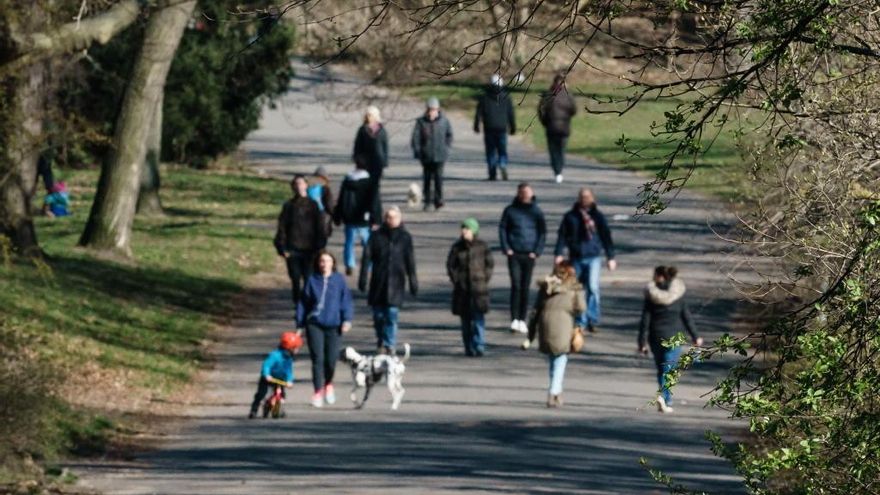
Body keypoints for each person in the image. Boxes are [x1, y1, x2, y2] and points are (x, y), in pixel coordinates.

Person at [638, 266, 703, 413]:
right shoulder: (678, 295)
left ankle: (664, 397)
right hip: (674, 338)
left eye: (654, 275)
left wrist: (642, 342)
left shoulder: (651, 297)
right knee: (668, 370)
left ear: (660, 277)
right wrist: (695, 336)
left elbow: (645, 321)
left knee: (661, 369)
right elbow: (687, 317)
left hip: (655, 337)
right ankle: (665, 398)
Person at [521, 261, 586, 408]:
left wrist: (530, 336)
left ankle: (557, 392)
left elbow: (535, 311)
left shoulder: (545, 288)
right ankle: (553, 392)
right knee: (561, 360)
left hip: (546, 326)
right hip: (563, 326)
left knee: (553, 360)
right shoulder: (574, 289)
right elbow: (581, 308)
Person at [297, 250, 354, 408]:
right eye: (322, 261)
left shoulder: (339, 280)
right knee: (317, 359)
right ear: (318, 263)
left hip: (334, 325)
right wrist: (300, 324)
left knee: (331, 359)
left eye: (328, 261)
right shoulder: (312, 280)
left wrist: (347, 320)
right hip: (314, 324)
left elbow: (346, 301)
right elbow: (303, 303)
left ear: (333, 264)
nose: (325, 264)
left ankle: (328, 383)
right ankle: (317, 392)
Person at [554, 188, 616, 333]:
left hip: (593, 257)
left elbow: (606, 236)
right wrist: (558, 253)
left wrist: (610, 257)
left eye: (588, 197)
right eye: (582, 197)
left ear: (593, 198)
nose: (585, 199)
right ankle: (580, 320)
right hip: (576, 257)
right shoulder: (570, 217)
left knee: (593, 288)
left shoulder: (598, 217)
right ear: (578, 199)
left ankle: (592, 319)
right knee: (578, 290)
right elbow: (562, 236)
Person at [358, 206, 418, 355]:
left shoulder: (405, 237)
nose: (391, 220)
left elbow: (410, 260)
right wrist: (363, 278)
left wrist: (413, 280)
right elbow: (367, 258)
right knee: (378, 316)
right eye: (389, 217)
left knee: (391, 315)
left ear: (400, 219)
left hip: (396, 282)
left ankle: (389, 344)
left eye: (394, 217)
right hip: (379, 282)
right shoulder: (376, 236)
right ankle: (381, 339)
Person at [498, 182, 547, 334]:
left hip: (529, 254)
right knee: (516, 286)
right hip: (514, 253)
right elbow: (503, 229)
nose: (526, 197)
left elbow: (542, 232)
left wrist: (537, 251)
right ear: (519, 195)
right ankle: (514, 319)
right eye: (523, 194)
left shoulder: (536, 212)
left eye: (528, 194)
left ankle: (522, 319)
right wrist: (507, 248)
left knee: (525, 287)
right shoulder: (510, 210)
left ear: (531, 195)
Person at [274, 174, 327, 307]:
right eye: (296, 184)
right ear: (293, 187)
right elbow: (282, 227)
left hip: (310, 250)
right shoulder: (288, 206)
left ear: (306, 186)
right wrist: (281, 247)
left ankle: (309, 303)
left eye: (301, 184)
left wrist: (320, 246)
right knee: (295, 278)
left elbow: (320, 227)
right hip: (293, 249)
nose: (299, 187)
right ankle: (298, 304)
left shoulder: (313, 205)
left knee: (309, 278)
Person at [446, 218, 494, 357]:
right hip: (462, 289)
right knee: (465, 320)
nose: (463, 231)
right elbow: (450, 265)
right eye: (463, 228)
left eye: (466, 228)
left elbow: (489, 264)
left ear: (473, 230)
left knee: (478, 318)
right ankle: (468, 346)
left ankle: (479, 345)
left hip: (478, 289)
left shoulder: (482, 246)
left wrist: (484, 278)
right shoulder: (457, 247)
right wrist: (456, 279)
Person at [333, 162, 382, 276]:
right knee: (367, 243)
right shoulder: (370, 182)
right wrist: (376, 219)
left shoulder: (347, 180)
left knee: (349, 242)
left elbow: (341, 199)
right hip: (364, 218)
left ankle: (349, 264)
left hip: (349, 217)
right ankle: (369, 265)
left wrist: (338, 215)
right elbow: (374, 202)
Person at [248, 331, 304, 418]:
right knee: (261, 394)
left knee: (280, 394)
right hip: (268, 378)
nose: (297, 350)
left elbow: (289, 371)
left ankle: (277, 409)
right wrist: (266, 374)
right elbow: (267, 365)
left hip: (280, 379)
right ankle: (254, 410)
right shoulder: (275, 355)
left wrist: (289, 380)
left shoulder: (289, 358)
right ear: (289, 347)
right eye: (296, 348)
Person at [411, 97, 453, 211]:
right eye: (430, 109)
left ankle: (438, 200)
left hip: (440, 155)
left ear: (438, 109)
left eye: (434, 109)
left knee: (439, 179)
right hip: (426, 156)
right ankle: (427, 201)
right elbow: (415, 138)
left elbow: (449, 135)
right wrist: (418, 151)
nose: (432, 112)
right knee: (427, 179)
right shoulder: (421, 122)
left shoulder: (444, 121)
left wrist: (447, 147)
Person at [474, 74, 516, 181]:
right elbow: (511, 113)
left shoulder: (484, 97)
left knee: (491, 151)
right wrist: (513, 127)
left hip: (489, 128)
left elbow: (478, 113)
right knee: (502, 150)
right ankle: (502, 164)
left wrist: (476, 125)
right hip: (502, 127)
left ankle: (492, 172)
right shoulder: (507, 97)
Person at [538, 72, 577, 184]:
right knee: (561, 150)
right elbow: (573, 110)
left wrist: (545, 122)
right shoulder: (568, 96)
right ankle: (559, 170)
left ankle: (557, 171)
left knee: (553, 151)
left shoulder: (548, 95)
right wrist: (567, 117)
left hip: (551, 127)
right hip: (564, 127)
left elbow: (541, 111)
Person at [352, 106, 389, 194]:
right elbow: (357, 146)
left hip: (378, 162)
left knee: (375, 185)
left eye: (370, 115)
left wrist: (385, 162)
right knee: (365, 184)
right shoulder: (362, 130)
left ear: (375, 116)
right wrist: (357, 158)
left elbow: (385, 147)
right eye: (367, 115)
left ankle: (374, 202)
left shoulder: (382, 131)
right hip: (365, 162)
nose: (368, 117)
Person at [308, 166, 335, 238]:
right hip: (321, 212)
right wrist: (334, 214)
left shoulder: (308, 186)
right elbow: (329, 203)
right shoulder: (325, 187)